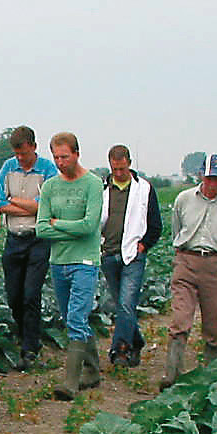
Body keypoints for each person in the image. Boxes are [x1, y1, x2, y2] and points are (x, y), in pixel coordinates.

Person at [161, 154, 217, 389]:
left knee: (214, 326)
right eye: (208, 178)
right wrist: (182, 256)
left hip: (216, 265)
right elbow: (176, 231)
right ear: (200, 176)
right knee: (180, 319)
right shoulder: (184, 199)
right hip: (186, 261)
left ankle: (213, 380)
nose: (212, 184)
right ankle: (172, 375)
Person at [35, 133, 104, 398]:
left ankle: (70, 383)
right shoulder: (51, 186)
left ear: (77, 153)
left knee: (76, 317)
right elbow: (41, 229)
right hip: (59, 261)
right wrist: (69, 229)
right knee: (71, 318)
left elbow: (90, 226)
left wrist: (58, 224)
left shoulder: (93, 184)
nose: (61, 162)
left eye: (65, 156)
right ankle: (93, 369)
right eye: (56, 157)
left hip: (85, 261)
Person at [0, 127, 59, 369]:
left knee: (31, 294)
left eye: (23, 153)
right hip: (14, 238)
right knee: (13, 295)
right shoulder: (8, 168)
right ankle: (25, 334)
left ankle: (30, 347)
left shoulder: (48, 169)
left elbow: (48, 206)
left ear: (33, 146)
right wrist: (31, 207)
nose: (19, 158)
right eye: (17, 154)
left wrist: (15, 202)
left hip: (38, 239)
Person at [97, 145, 162, 369]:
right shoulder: (102, 189)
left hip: (132, 255)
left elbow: (155, 225)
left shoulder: (144, 188)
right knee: (121, 304)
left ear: (129, 164)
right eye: (115, 169)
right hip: (108, 253)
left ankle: (120, 350)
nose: (118, 173)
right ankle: (138, 342)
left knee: (126, 303)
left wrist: (143, 246)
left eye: (122, 168)